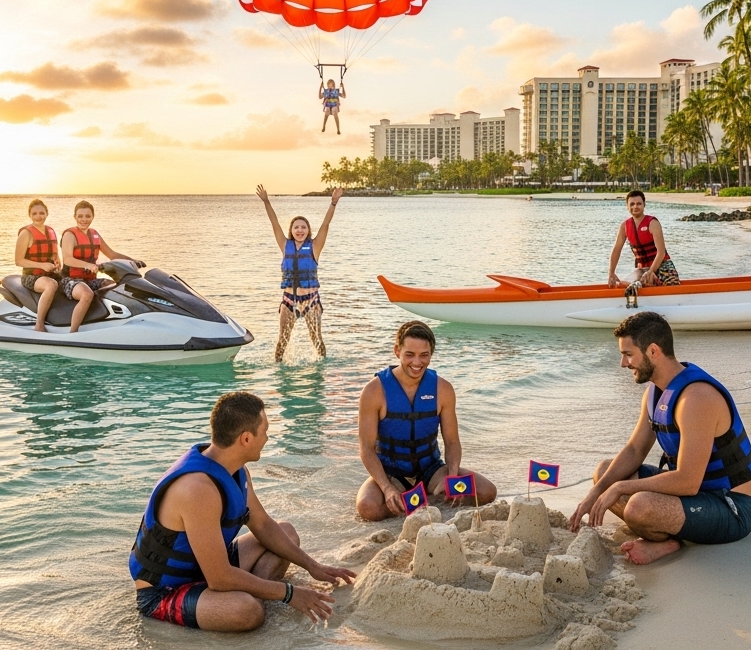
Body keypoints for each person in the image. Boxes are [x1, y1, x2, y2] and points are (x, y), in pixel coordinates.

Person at [129, 392, 357, 632]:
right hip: (165, 592)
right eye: (265, 431)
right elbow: (219, 578)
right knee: (247, 612)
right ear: (246, 438)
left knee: (287, 533)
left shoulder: (235, 470)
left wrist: (312, 566)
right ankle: (248, 599)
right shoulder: (198, 489)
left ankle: (250, 595)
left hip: (206, 568)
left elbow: (263, 525)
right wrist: (289, 593)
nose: (267, 438)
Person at [568, 311, 751, 565]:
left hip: (730, 506)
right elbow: (635, 450)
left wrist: (620, 487)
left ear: (653, 351)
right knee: (604, 472)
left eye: (628, 354)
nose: (623, 364)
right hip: (693, 496)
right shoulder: (655, 392)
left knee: (638, 506)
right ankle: (667, 534)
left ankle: (668, 541)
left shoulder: (696, 399)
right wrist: (595, 492)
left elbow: (688, 482)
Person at [355, 321, 497, 521]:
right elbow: (366, 449)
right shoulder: (374, 391)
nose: (417, 362)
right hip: (392, 474)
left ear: (431, 354)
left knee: (486, 492)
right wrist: (386, 488)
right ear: (397, 351)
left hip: (431, 471)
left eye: (424, 355)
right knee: (367, 507)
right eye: (410, 354)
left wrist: (452, 477)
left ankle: (418, 501)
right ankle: (418, 501)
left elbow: (452, 441)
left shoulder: (443, 389)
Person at [255, 185, 342, 362]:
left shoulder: (315, 247)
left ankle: (321, 371)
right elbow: (274, 223)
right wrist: (266, 201)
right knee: (282, 341)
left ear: (308, 230)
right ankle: (278, 371)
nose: (300, 230)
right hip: (289, 301)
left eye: (303, 227)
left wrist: (333, 203)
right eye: (296, 227)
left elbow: (325, 225)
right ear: (291, 230)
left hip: (311, 301)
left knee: (317, 339)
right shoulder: (284, 245)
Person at [60, 200, 140, 334]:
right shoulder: (70, 235)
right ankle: (73, 332)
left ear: (93, 217)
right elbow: (67, 259)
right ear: (75, 217)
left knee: (116, 287)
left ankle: (113, 323)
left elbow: (112, 254)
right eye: (80, 216)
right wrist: (87, 265)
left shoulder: (94, 234)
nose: (84, 219)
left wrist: (133, 261)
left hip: (90, 279)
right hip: (70, 280)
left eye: (87, 216)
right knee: (86, 294)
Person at [608, 189, 680, 288]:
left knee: (669, 284)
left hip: (663, 266)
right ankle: (640, 285)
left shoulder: (653, 223)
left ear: (644, 205)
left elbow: (661, 252)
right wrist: (611, 273)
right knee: (622, 284)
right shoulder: (624, 226)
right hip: (642, 270)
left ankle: (645, 284)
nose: (635, 207)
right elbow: (616, 250)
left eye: (639, 204)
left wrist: (651, 271)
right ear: (627, 206)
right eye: (632, 204)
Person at [15, 198, 63, 332]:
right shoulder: (26, 233)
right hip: (31, 276)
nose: (38, 216)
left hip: (50, 273)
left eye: (41, 213)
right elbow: (18, 261)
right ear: (29, 215)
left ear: (47, 214)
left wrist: (57, 260)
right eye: (34, 213)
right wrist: (42, 265)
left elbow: (54, 253)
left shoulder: (51, 231)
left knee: (73, 281)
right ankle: (39, 324)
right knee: (51, 285)